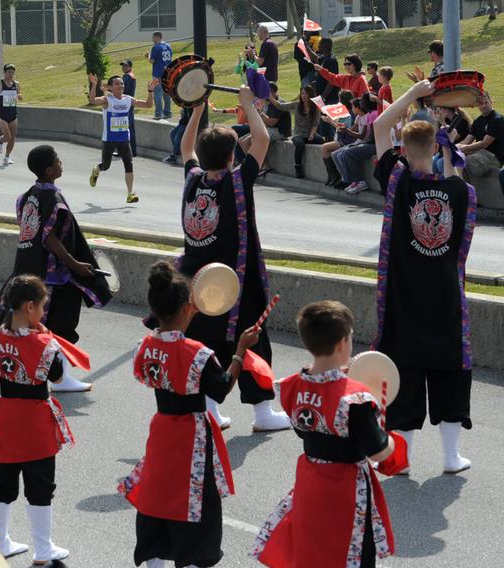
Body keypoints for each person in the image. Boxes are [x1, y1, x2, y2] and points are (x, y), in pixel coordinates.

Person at [120, 261, 260, 568]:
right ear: (188, 308)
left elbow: (146, 375)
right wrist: (240, 350)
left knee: (157, 493)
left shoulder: (144, 346)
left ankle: (154, 556)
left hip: (161, 429)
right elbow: (221, 389)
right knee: (196, 504)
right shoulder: (197, 353)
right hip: (191, 436)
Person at [372, 80, 476, 474]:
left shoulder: (397, 182)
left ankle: (403, 458)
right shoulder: (457, 192)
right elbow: (454, 176)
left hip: (404, 295)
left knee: (406, 371)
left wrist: (414, 94)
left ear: (403, 150)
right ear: (434, 150)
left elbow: (381, 126)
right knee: (450, 369)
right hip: (445, 297)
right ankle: (451, 457)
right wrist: (448, 153)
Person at [173, 86, 291, 432]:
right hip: (238, 280)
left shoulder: (194, 181)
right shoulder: (236, 182)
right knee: (253, 339)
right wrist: (247, 104)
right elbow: (263, 140)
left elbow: (184, 148)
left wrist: (196, 110)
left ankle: (209, 407)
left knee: (206, 342)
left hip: (199, 281)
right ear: (230, 157)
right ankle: (263, 411)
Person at [251, 301, 395, 567]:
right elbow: (377, 450)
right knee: (350, 549)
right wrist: (392, 443)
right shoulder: (356, 398)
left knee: (314, 544)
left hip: (311, 482)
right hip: (346, 488)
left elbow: (303, 429)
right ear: (342, 344)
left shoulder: (292, 385)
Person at [0, 275, 77, 564]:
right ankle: (43, 549)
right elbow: (57, 376)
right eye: (43, 306)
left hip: (5, 420)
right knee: (40, 485)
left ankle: (0, 541)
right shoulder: (44, 345)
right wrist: (47, 336)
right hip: (35, 424)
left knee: (2, 483)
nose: (44, 312)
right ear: (30, 307)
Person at [0, 145, 112, 393]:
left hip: (28, 268)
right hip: (54, 277)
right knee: (60, 324)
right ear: (49, 170)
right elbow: (48, 238)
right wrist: (75, 264)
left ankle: (40, 373)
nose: (62, 164)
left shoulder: (28, 195)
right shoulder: (52, 198)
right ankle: (60, 379)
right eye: (58, 161)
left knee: (29, 324)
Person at [87, 74, 158, 203]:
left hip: (124, 138)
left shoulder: (128, 100)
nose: (121, 86)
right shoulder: (107, 100)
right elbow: (92, 101)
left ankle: (130, 193)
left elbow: (148, 105)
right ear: (111, 88)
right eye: (117, 84)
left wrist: (150, 90)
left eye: (122, 84)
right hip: (109, 139)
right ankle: (96, 170)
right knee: (106, 166)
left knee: (129, 165)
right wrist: (94, 85)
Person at [269, 85, 324, 178]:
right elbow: (281, 106)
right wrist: (270, 97)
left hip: (310, 133)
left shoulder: (316, 107)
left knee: (321, 141)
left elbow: (315, 124)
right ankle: (297, 168)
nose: (304, 96)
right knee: (299, 144)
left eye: (306, 94)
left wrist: (311, 135)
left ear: (311, 95)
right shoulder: (296, 105)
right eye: (302, 93)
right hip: (298, 134)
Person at [237, 82, 290, 171]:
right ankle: (256, 165)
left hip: (279, 131)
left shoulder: (279, 104)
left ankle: (261, 166)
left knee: (250, 140)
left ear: (273, 93)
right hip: (270, 129)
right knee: (242, 141)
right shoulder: (268, 103)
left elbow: (271, 122)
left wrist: (259, 112)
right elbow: (264, 122)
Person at [331, 95, 379, 194]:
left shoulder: (374, 114)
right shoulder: (370, 114)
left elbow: (372, 138)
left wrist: (357, 145)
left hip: (374, 146)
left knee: (347, 153)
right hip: (368, 143)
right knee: (340, 153)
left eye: (362, 100)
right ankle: (351, 180)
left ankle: (359, 181)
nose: (360, 102)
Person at [457, 93, 504, 181]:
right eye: (481, 103)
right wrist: (454, 147)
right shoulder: (478, 121)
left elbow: (484, 144)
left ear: (491, 102)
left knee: (461, 161)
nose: (484, 105)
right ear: (477, 105)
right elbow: (467, 140)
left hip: (494, 157)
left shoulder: (497, 119)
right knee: (450, 159)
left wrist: (462, 149)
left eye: (486, 102)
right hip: (480, 154)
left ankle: (463, 188)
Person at [0, 64, 23, 166]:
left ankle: (7, 157)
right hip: (2, 114)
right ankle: (0, 140)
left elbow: (19, 94)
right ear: (4, 73)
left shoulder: (16, 84)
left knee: (13, 137)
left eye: (12, 72)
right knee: (7, 136)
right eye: (9, 72)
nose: (11, 74)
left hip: (13, 113)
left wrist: (20, 96)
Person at [321, 90, 357, 186]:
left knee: (325, 147)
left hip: (347, 140)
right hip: (342, 138)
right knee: (326, 148)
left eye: (340, 99)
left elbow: (344, 129)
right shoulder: (344, 112)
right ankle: (331, 176)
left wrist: (330, 122)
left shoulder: (349, 114)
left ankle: (335, 176)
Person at [432, 106, 471, 174]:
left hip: (457, 152)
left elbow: (448, 138)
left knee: (440, 163)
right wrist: (437, 121)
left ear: (446, 111)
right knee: (433, 161)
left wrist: (442, 121)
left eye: (440, 109)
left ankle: (448, 182)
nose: (438, 112)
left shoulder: (461, 121)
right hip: (446, 151)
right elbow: (436, 136)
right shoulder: (447, 120)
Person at [314, 37, 340, 139]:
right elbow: (314, 58)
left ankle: (330, 144)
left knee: (329, 125)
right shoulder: (323, 59)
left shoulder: (331, 60)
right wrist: (305, 47)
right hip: (322, 98)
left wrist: (323, 97)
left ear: (325, 46)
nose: (318, 46)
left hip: (329, 98)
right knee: (323, 124)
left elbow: (332, 81)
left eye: (320, 44)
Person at [148, 31, 173, 119]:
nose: (152, 39)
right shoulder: (168, 46)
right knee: (166, 93)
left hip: (158, 73)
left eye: (153, 37)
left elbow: (152, 61)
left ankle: (158, 114)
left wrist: (148, 55)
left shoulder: (156, 47)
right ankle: (168, 112)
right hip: (168, 73)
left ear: (157, 37)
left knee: (157, 93)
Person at [121, 59, 139, 158]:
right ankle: (131, 151)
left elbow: (123, 90)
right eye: (123, 66)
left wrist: (111, 89)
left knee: (126, 128)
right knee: (128, 128)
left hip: (126, 104)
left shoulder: (128, 77)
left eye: (126, 66)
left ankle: (129, 151)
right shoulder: (128, 76)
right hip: (128, 104)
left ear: (130, 67)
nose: (123, 67)